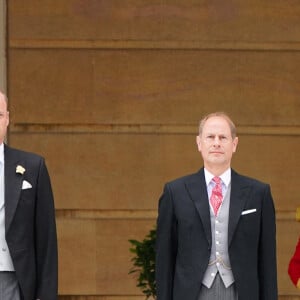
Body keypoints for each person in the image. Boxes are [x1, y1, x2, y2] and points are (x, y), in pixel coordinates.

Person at [155, 112, 277, 300]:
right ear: (199, 143)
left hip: (241, 292)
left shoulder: (259, 193)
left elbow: (268, 261)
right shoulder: (175, 192)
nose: (216, 143)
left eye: (223, 137)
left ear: (234, 144)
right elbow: (164, 258)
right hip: (191, 293)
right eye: (210, 137)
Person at [0, 90, 58, 299]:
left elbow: (46, 237)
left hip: (14, 280)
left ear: (7, 119)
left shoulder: (33, 166)